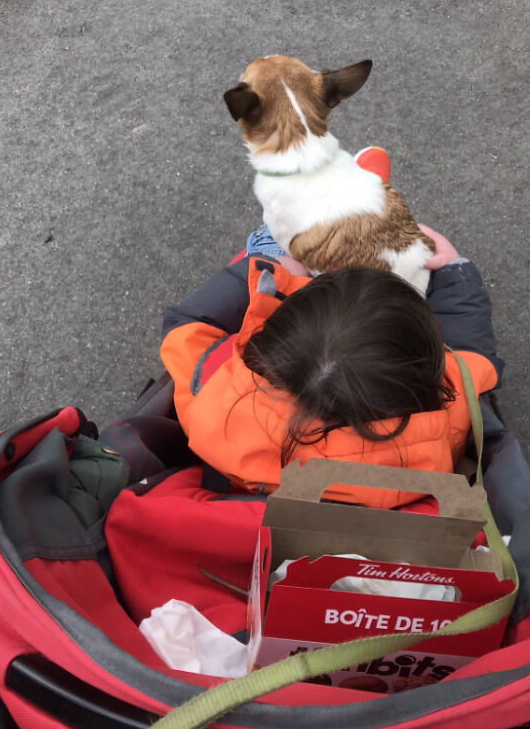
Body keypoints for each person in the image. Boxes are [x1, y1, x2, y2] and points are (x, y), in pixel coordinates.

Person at [160, 208, 504, 511]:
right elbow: (473, 358)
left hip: (245, 494)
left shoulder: (214, 397)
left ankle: (288, 243)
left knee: (275, 242)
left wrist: (277, 268)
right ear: (429, 372)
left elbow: (188, 325)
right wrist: (452, 271)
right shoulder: (446, 420)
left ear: (271, 339)